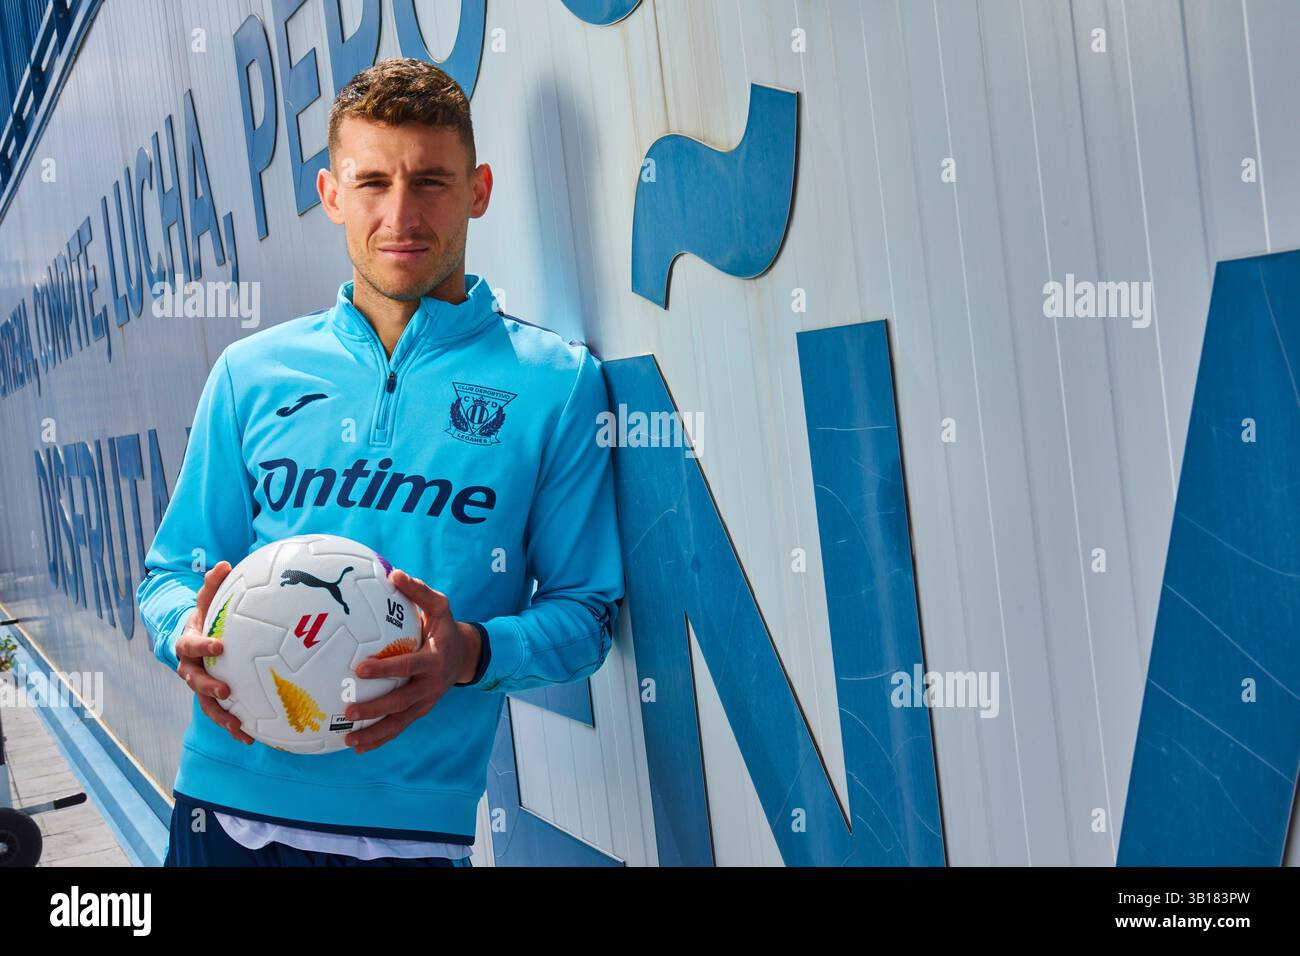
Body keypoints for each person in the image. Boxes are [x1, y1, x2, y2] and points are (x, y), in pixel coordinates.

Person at [137, 57, 625, 867]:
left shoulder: (555, 384)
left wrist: (469, 653)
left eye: (431, 181)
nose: (401, 214)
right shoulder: (250, 373)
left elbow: (586, 615)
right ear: (331, 194)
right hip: (221, 813)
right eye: (372, 184)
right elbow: (168, 578)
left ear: (479, 190)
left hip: (413, 835)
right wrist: (184, 631)